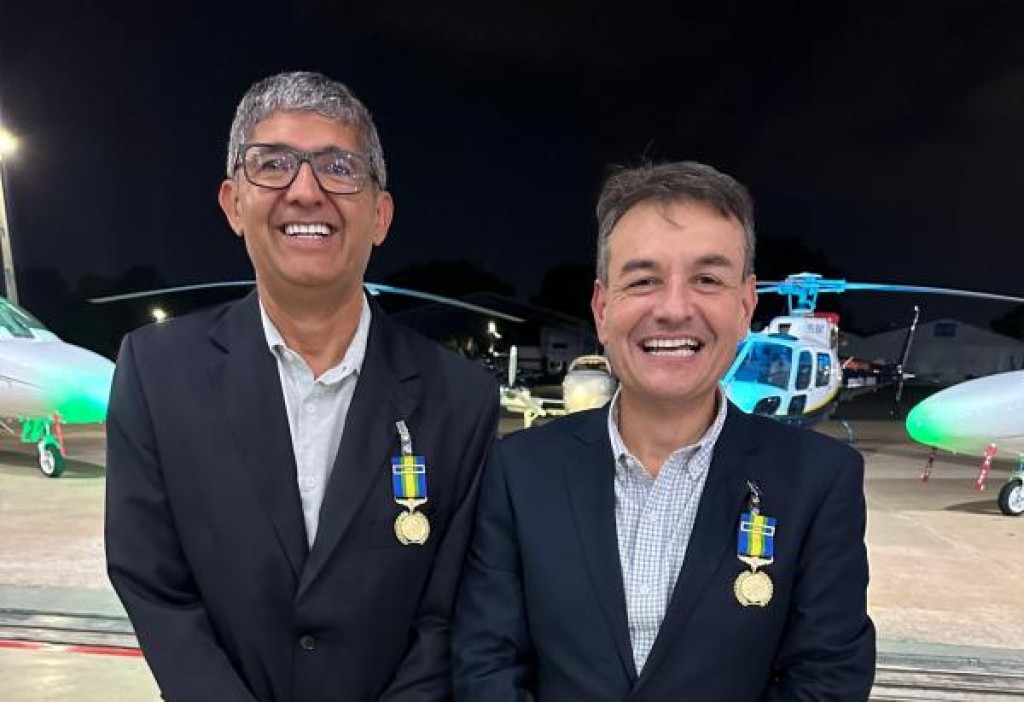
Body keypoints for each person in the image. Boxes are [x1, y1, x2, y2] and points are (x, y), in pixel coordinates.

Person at [105, 71, 499, 702]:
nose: (306, 191)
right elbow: (154, 585)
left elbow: (449, 614)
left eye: (339, 168)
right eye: (273, 164)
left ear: (380, 215)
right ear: (234, 204)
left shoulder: (461, 397)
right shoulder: (156, 373)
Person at [453, 161, 875, 701]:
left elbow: (827, 680)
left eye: (707, 279)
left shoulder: (820, 481)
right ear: (602, 309)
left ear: (745, 306)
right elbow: (486, 664)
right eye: (644, 280)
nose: (674, 309)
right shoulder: (517, 471)